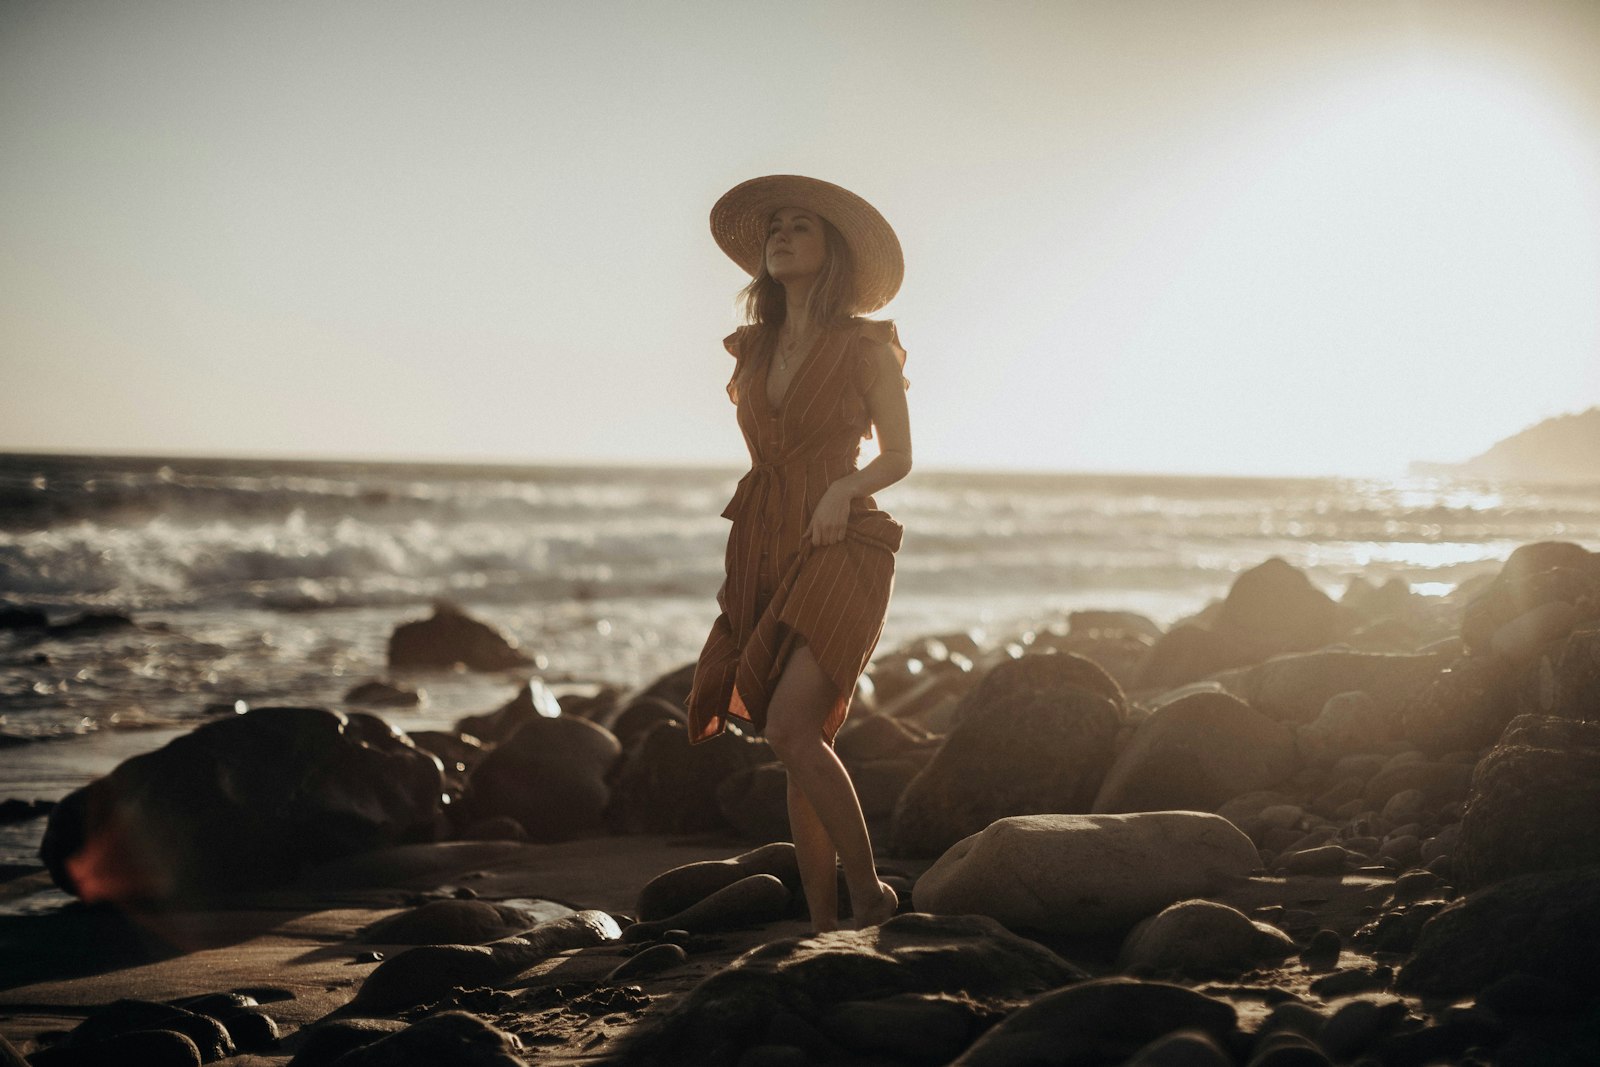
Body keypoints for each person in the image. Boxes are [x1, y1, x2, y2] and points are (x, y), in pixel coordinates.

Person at [687, 174, 913, 933]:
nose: (780, 235)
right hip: (762, 541)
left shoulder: (866, 345)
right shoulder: (752, 348)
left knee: (790, 728)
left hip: (843, 540)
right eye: (774, 227)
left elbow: (900, 456)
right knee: (801, 742)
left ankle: (870, 893)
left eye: (801, 227)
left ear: (834, 251)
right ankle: (823, 924)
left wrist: (842, 490)